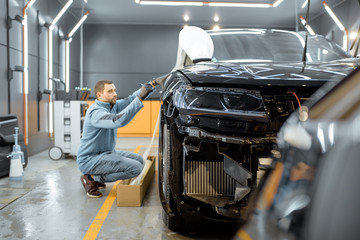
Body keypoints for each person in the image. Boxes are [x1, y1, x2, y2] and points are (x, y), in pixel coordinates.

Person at [77, 78, 164, 198]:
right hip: (89, 159)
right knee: (135, 168)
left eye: (115, 90)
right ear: (99, 95)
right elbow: (117, 120)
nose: (115, 94)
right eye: (110, 91)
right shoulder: (96, 113)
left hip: (106, 153)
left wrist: (151, 85)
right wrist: (140, 99)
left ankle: (97, 176)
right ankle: (91, 178)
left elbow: (130, 99)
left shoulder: (111, 106)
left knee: (140, 160)